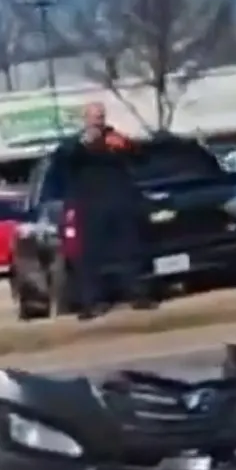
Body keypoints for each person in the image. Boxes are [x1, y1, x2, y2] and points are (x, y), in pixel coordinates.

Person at [53, 101, 155, 320]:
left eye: (101, 115)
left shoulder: (114, 138)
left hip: (120, 202)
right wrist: (83, 143)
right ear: (86, 118)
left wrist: (128, 146)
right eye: (94, 116)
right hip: (90, 206)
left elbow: (142, 158)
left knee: (130, 250)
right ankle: (93, 302)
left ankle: (137, 294)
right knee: (89, 256)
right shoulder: (77, 143)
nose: (98, 120)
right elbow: (62, 158)